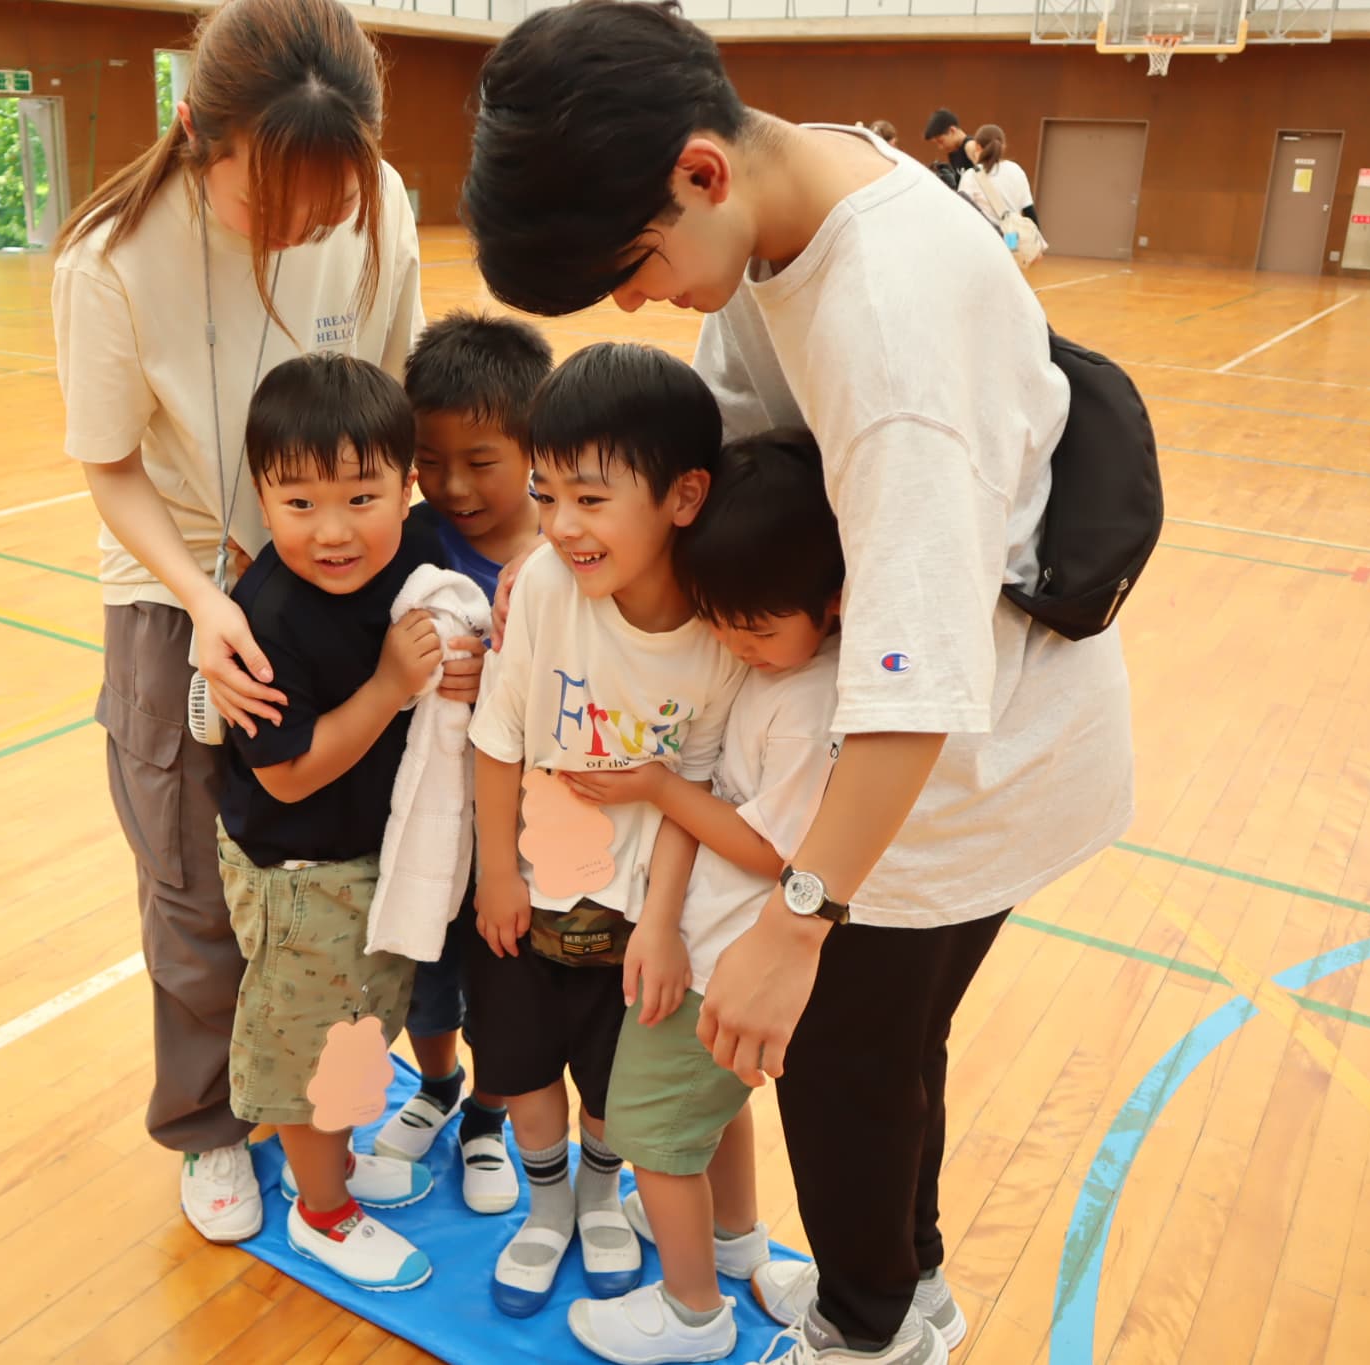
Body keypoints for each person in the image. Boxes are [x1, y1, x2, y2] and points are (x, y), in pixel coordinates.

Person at [461, 4, 1136, 1363]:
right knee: (889, 1070)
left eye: (635, 263)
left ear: (701, 170)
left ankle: (871, 1331)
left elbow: (916, 683)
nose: (640, 300)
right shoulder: (798, 194)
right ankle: (913, 1294)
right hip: (916, 752)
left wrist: (801, 919)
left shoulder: (888, 334)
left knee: (837, 1081)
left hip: (945, 774)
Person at [51, 0, 478, 1246]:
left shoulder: (376, 201)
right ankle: (206, 1127)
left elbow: (387, 403)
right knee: (195, 874)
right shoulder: (112, 262)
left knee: (350, 863)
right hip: (182, 588)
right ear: (194, 133)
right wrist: (204, 600)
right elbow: (111, 462)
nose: (298, 228)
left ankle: (321, 1096)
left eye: (324, 204)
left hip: (349, 573)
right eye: (267, 203)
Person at [465, 342, 747, 1319]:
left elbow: (688, 799)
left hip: (627, 908)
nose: (559, 526)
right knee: (521, 1067)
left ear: (682, 496)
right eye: (546, 497)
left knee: (609, 1080)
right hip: (526, 890)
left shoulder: (721, 640)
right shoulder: (543, 586)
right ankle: (546, 1211)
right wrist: (495, 872)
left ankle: (599, 1194)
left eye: (589, 499)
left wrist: (662, 923)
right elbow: (496, 738)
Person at [562, 431, 844, 1365]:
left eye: (759, 627)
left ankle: (691, 1311)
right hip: (711, 948)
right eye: (722, 621)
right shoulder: (775, 674)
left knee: (652, 1135)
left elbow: (776, 850)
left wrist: (656, 786)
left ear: (833, 604)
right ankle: (737, 1247)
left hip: (726, 957)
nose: (737, 644)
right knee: (713, 1113)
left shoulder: (808, 705)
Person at [217, 351, 447, 1290]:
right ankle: (321, 1211)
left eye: (361, 496)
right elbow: (287, 777)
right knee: (317, 1041)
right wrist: (395, 685)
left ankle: (336, 1164)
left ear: (407, 489)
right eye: (299, 503)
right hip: (298, 872)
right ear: (261, 503)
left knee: (359, 1027)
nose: (333, 530)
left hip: (366, 858)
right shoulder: (267, 614)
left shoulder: (417, 558)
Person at [371, 312, 554, 1215]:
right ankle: (435, 1086)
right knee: (425, 972)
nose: (450, 486)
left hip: (527, 839)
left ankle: (489, 1112)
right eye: (428, 462)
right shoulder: (408, 540)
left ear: (534, 446)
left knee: (505, 986)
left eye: (479, 461)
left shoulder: (571, 553)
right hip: (429, 821)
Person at [958, 123, 1041, 233]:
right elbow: (1029, 210)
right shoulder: (1016, 170)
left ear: (977, 147)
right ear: (1003, 147)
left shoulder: (971, 175)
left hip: (984, 239)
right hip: (1012, 240)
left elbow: (962, 212)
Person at [920, 108, 974, 191]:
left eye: (941, 141)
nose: (940, 147)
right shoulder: (953, 153)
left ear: (952, 130)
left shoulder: (970, 146)